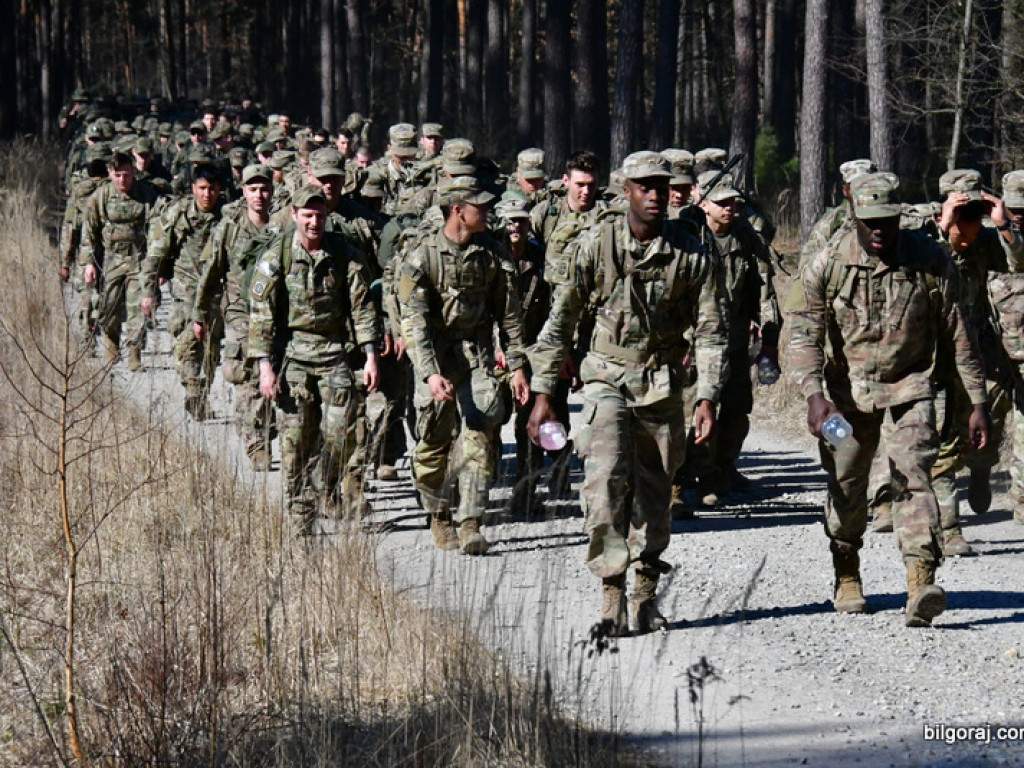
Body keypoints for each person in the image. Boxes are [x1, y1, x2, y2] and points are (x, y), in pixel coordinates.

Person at [528, 151, 728, 635]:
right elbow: (560, 322)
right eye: (646, 187)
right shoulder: (597, 245)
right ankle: (611, 591)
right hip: (606, 376)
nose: (657, 195)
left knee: (656, 497)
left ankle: (645, 593)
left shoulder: (691, 253)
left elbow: (711, 331)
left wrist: (707, 396)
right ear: (626, 192)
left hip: (661, 384)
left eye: (663, 186)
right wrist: (543, 393)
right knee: (604, 484)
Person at [786, 172, 990, 628]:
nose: (879, 230)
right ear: (854, 213)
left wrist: (976, 401)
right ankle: (846, 571)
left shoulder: (931, 262)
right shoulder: (827, 263)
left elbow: (960, 336)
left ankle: (921, 580)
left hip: (910, 388)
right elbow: (802, 334)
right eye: (870, 220)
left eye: (887, 220)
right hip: (844, 398)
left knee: (913, 477)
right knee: (848, 484)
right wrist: (814, 396)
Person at [396, 176, 530, 554]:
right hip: (434, 356)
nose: (488, 212)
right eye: (481, 206)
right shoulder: (422, 256)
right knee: (433, 440)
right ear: (458, 211)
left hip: (475, 355)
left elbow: (510, 315)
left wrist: (517, 365)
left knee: (480, 431)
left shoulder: (494, 254)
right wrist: (429, 373)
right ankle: (438, 513)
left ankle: (470, 522)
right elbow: (414, 322)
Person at [248, 185, 382, 534]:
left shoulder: (344, 256)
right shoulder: (276, 256)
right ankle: (298, 515)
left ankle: (326, 486)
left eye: (319, 215)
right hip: (293, 358)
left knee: (341, 435)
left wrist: (370, 358)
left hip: (335, 354)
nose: (314, 222)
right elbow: (261, 315)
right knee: (295, 441)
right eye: (307, 215)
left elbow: (363, 309)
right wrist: (265, 368)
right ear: (294, 215)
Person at [929, 169, 1024, 555]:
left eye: (974, 216)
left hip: (976, 353)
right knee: (940, 437)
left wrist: (1003, 226)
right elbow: (923, 267)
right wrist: (943, 227)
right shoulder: (923, 239)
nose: (967, 228)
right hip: (934, 357)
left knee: (981, 426)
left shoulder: (986, 241)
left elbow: (1018, 263)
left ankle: (980, 467)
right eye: (961, 218)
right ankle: (949, 527)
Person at [686, 170, 781, 507]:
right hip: (695, 343)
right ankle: (690, 477)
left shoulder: (745, 237)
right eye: (721, 202)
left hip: (737, 340)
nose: (729, 209)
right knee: (695, 411)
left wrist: (769, 339)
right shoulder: (687, 234)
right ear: (703, 202)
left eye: (733, 203)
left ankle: (722, 473)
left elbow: (765, 290)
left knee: (736, 410)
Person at [193, 163, 280, 469]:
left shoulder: (282, 224)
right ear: (243, 192)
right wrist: (199, 313)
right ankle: (255, 442)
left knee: (277, 372)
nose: (260, 195)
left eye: (264, 189)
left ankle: (266, 430)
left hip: (275, 310)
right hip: (240, 311)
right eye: (253, 189)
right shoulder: (230, 225)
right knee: (249, 373)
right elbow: (211, 270)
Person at [141, 165, 225, 418]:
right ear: (193, 189)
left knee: (211, 348)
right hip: (185, 290)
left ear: (219, 190)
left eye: (212, 189)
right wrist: (149, 290)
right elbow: (155, 252)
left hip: (217, 294)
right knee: (185, 343)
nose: (207, 194)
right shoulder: (178, 213)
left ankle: (202, 393)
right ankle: (192, 389)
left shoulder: (228, 216)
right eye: (202, 189)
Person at [79, 150, 163, 368]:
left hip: (139, 259)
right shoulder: (101, 196)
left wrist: (158, 266)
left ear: (133, 172)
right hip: (111, 259)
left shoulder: (146, 195)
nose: (122, 180)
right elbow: (90, 231)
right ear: (110, 173)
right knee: (109, 307)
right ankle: (111, 346)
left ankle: (134, 352)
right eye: (117, 175)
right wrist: (89, 262)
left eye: (126, 175)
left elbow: (157, 230)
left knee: (138, 308)